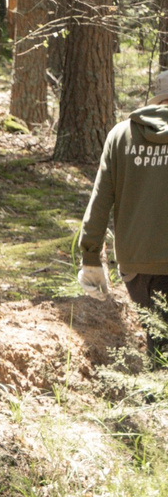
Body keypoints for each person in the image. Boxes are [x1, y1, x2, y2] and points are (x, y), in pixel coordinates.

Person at [76, 67, 168, 359]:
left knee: (158, 340)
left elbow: (100, 200)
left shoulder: (121, 135)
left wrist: (91, 258)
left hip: (136, 263)